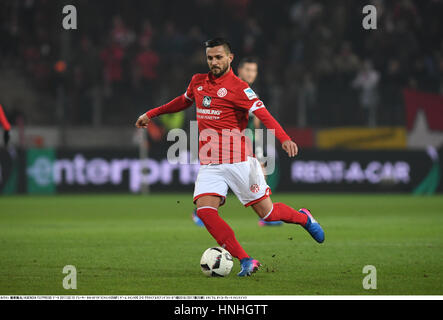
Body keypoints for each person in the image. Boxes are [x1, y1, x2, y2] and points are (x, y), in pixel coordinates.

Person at [135, 38, 324, 277]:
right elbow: (182, 102)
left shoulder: (240, 88)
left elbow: (264, 115)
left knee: (268, 213)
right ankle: (246, 259)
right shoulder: (198, 81)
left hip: (240, 161)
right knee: (205, 212)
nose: (214, 62)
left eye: (218, 57)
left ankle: (304, 218)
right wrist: (151, 114)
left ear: (230, 58)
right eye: (210, 58)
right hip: (210, 163)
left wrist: (284, 138)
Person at [192, 57, 282, 227]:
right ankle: (199, 213)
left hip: (245, 143)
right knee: (221, 179)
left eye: (254, 71)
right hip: (226, 143)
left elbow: (255, 124)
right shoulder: (229, 89)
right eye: (248, 70)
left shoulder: (251, 93)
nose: (251, 74)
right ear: (239, 70)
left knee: (260, 174)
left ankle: (266, 215)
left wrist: (257, 145)